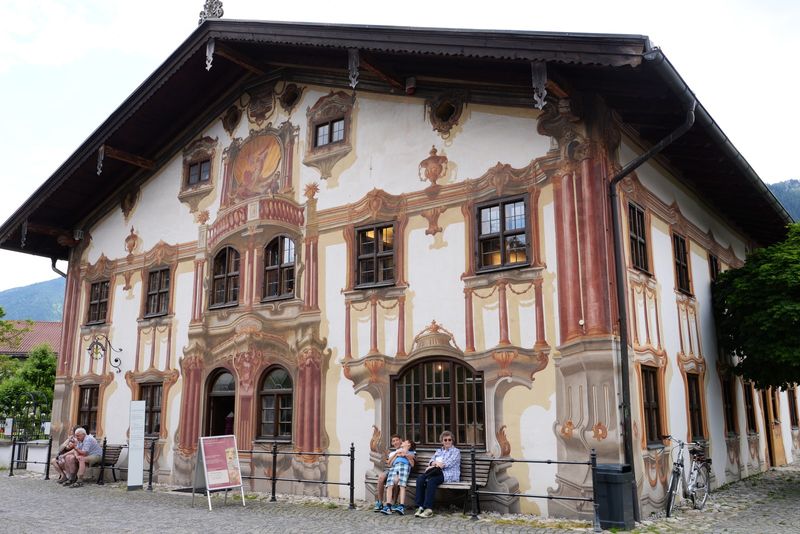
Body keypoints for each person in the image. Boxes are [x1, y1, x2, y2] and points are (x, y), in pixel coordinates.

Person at [414, 430, 461, 518]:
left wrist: (434, 464)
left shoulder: (456, 451)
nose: (447, 441)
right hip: (436, 472)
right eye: (445, 440)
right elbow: (431, 461)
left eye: (449, 440)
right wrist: (435, 464)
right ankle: (420, 506)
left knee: (431, 481)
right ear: (442, 441)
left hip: (449, 474)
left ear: (452, 441)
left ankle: (428, 509)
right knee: (420, 479)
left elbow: (447, 464)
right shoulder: (439, 451)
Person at [380, 439, 417, 515]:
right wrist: (396, 454)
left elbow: (412, 464)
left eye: (405, 442)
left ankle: (401, 506)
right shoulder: (397, 452)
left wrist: (405, 454)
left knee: (402, 485)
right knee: (389, 485)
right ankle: (388, 506)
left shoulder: (411, 453)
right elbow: (390, 464)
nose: (402, 442)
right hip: (394, 467)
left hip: (404, 467)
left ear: (408, 445)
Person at [373, 434, 404, 512]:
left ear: (401, 440)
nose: (395, 442)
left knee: (396, 480)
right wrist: (396, 455)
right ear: (392, 443)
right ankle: (380, 502)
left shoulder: (404, 449)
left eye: (397, 440)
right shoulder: (392, 453)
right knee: (381, 477)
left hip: (400, 470)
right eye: (393, 441)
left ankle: (394, 502)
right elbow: (390, 464)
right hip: (391, 469)